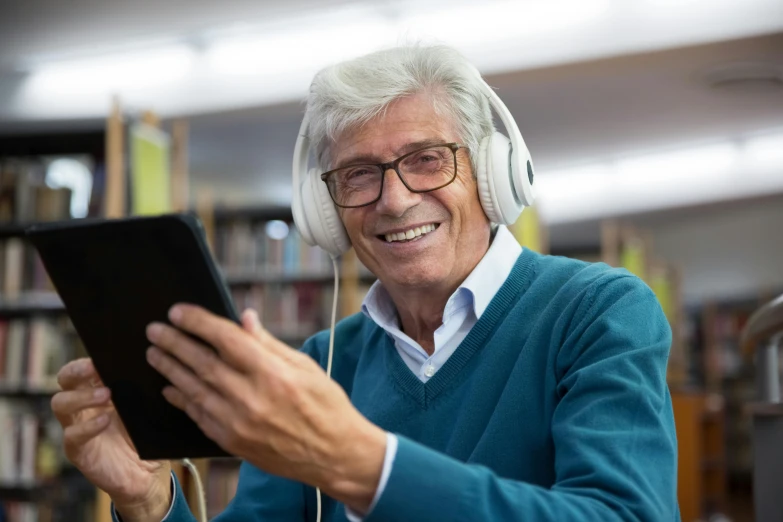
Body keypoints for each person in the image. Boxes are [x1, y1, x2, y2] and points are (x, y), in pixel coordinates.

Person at [51, 45, 679, 522]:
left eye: (427, 160)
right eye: (357, 175)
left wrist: (360, 462)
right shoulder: (322, 364)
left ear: (492, 172)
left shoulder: (600, 313)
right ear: (325, 211)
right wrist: (149, 499)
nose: (395, 200)